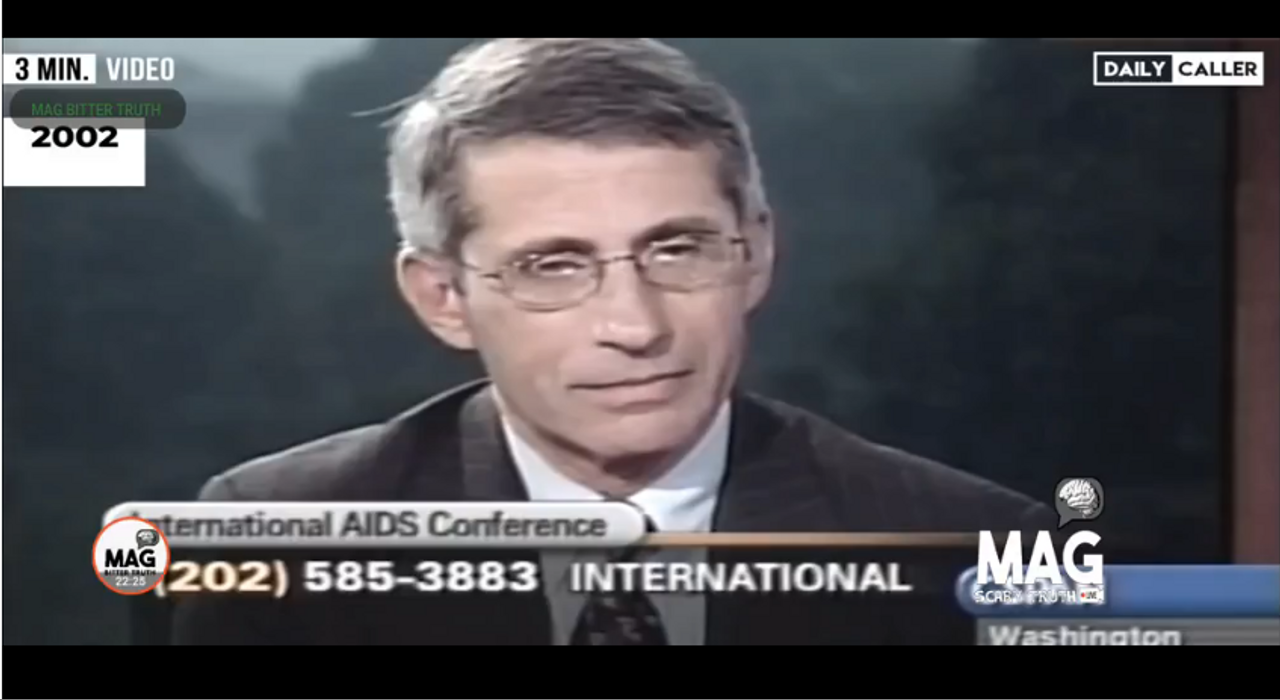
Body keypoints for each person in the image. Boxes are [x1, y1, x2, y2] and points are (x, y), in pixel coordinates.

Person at [170, 38, 1055, 646]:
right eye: (553, 267)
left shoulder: (974, 547)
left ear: (756, 254)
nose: (636, 327)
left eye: (678, 250)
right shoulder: (282, 548)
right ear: (443, 298)